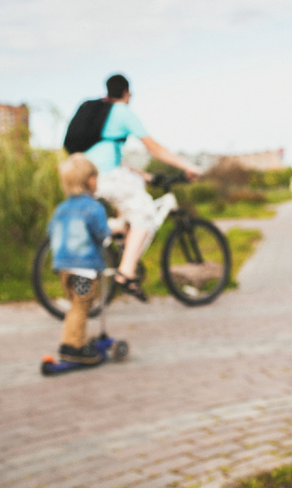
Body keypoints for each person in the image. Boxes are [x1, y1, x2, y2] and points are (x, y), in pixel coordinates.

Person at [83, 73, 202, 301]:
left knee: (134, 195)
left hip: (90, 174)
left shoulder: (103, 114)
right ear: (127, 93)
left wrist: (145, 176)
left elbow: (113, 158)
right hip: (107, 176)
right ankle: (125, 274)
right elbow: (153, 148)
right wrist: (188, 166)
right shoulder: (121, 112)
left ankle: (116, 230)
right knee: (146, 212)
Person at [49, 153, 111, 364]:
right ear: (90, 180)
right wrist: (115, 228)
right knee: (81, 306)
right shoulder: (93, 207)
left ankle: (72, 342)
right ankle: (73, 347)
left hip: (63, 268)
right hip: (83, 270)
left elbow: (51, 234)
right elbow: (102, 233)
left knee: (75, 306)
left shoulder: (60, 209)